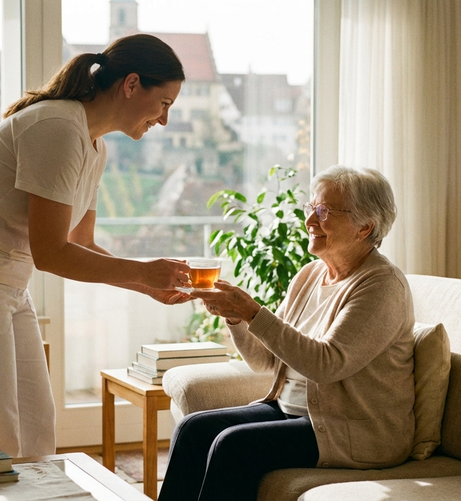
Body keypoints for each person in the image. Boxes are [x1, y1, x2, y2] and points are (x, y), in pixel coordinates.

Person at [0, 34, 192, 458]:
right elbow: (52, 253)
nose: (164, 120)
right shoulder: (57, 127)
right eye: (164, 103)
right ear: (131, 84)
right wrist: (142, 271)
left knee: (37, 432)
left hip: (4, 282)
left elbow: (82, 242)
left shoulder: (95, 148)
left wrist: (146, 284)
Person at [158, 165, 415, 501]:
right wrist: (235, 318)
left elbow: (327, 364)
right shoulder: (310, 275)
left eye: (324, 212)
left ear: (364, 227)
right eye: (312, 208)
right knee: (194, 429)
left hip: (356, 430)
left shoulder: (381, 286)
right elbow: (264, 361)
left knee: (232, 445)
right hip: (293, 411)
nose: (309, 221)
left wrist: (252, 311)